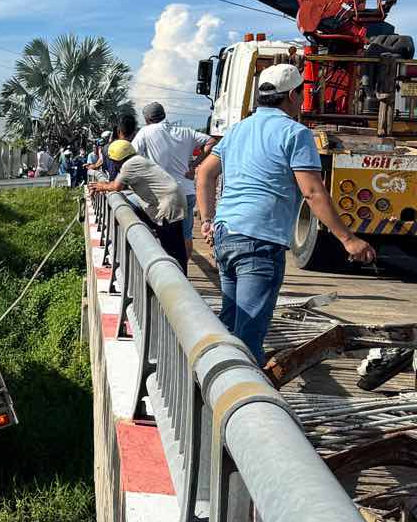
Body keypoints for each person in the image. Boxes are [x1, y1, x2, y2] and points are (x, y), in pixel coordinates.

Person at [195, 64, 375, 363]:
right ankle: (241, 391)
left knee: (229, 326)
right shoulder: (295, 133)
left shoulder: (237, 129)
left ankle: (205, 382)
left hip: (226, 235)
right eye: (301, 94)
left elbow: (204, 173)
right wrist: (348, 239)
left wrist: (207, 220)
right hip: (259, 241)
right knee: (248, 338)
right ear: (293, 95)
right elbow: (312, 192)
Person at [132, 101, 218, 260]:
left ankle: (168, 268)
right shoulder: (185, 131)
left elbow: (132, 156)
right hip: (187, 192)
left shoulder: (145, 132)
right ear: (164, 115)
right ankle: (184, 270)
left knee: (164, 235)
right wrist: (194, 165)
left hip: (164, 195)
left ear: (147, 119)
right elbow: (211, 141)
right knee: (186, 235)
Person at [89, 140, 188, 273]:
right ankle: (179, 274)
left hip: (168, 203)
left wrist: (101, 186)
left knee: (171, 246)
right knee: (175, 243)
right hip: (172, 199)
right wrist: (106, 185)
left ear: (116, 160)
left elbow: (116, 186)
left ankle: (176, 276)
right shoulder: (137, 160)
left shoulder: (129, 165)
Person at [105, 113, 138, 181]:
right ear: (134, 132)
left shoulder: (109, 148)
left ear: (118, 131)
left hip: (115, 184)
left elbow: (113, 175)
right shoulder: (137, 148)